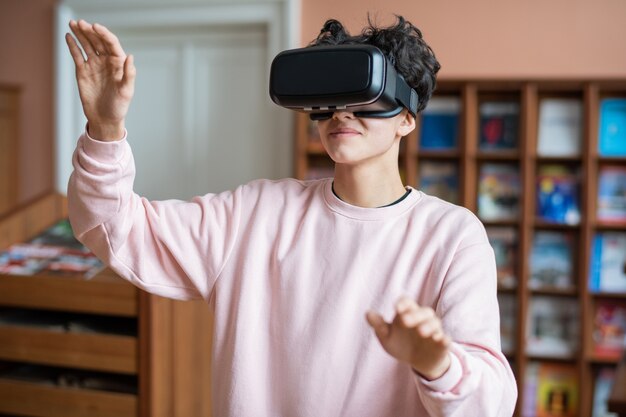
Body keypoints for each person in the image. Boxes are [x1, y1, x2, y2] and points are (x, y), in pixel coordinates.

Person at [65, 15, 517, 417]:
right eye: (331, 97)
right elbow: (111, 226)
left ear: (406, 119)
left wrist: (438, 364)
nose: (342, 111)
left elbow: (490, 404)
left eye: (362, 95)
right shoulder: (255, 215)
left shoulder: (452, 236)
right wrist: (105, 129)